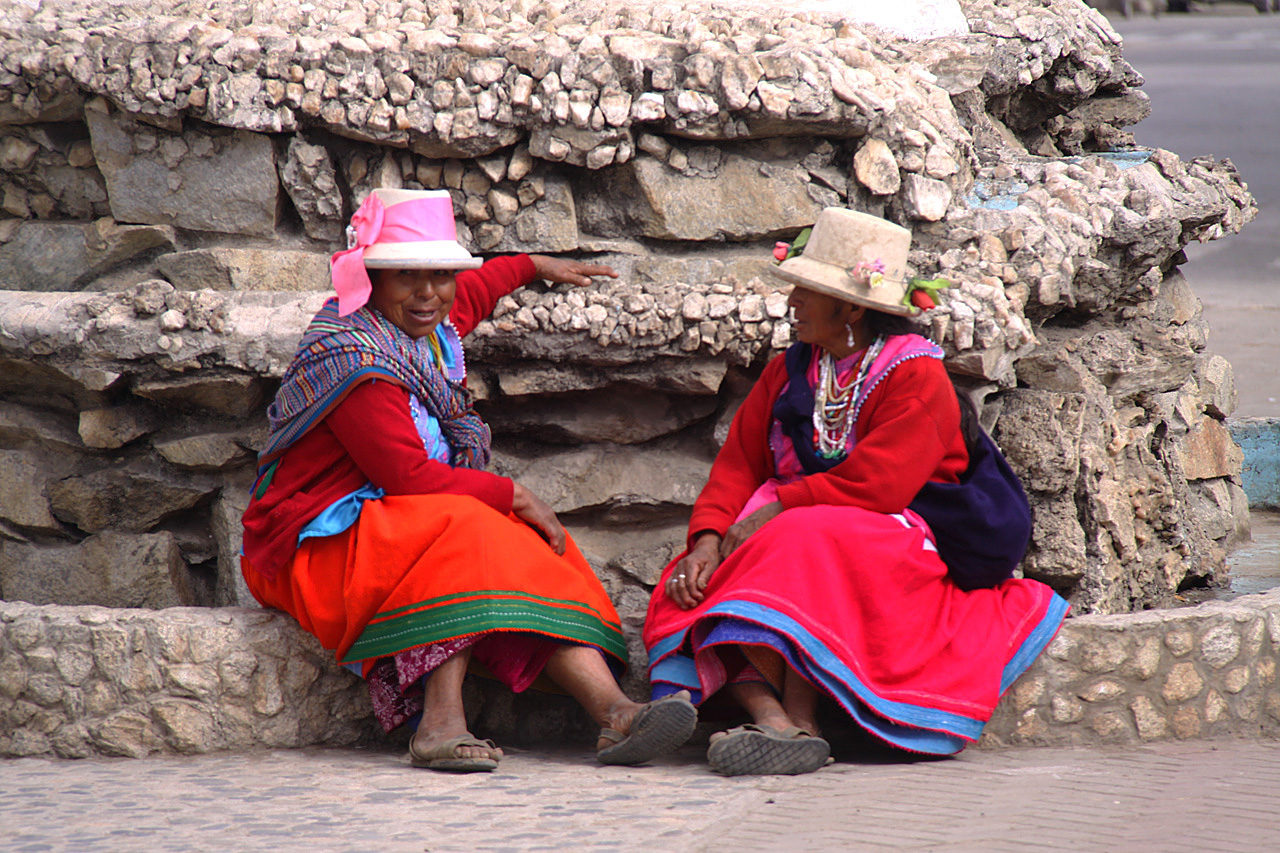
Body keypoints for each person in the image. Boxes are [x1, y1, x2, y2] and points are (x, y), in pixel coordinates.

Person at [241, 188, 696, 772]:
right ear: (371, 279)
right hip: (310, 543)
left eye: (440, 274)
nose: (428, 292)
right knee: (467, 527)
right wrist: (513, 493)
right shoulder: (357, 362)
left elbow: (476, 291)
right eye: (407, 276)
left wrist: (533, 266)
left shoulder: (421, 329)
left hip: (393, 518)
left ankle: (615, 714)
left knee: (511, 540)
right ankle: (439, 723)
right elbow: (406, 477)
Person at [642, 208, 1069, 776]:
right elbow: (738, 465)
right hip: (804, 520)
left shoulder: (917, 377)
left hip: (903, 525)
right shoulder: (792, 369)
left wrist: (778, 509)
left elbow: (881, 483)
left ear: (849, 307)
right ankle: (771, 720)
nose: (791, 303)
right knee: (690, 582)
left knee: (799, 543)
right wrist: (707, 537)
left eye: (806, 292)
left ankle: (802, 718)